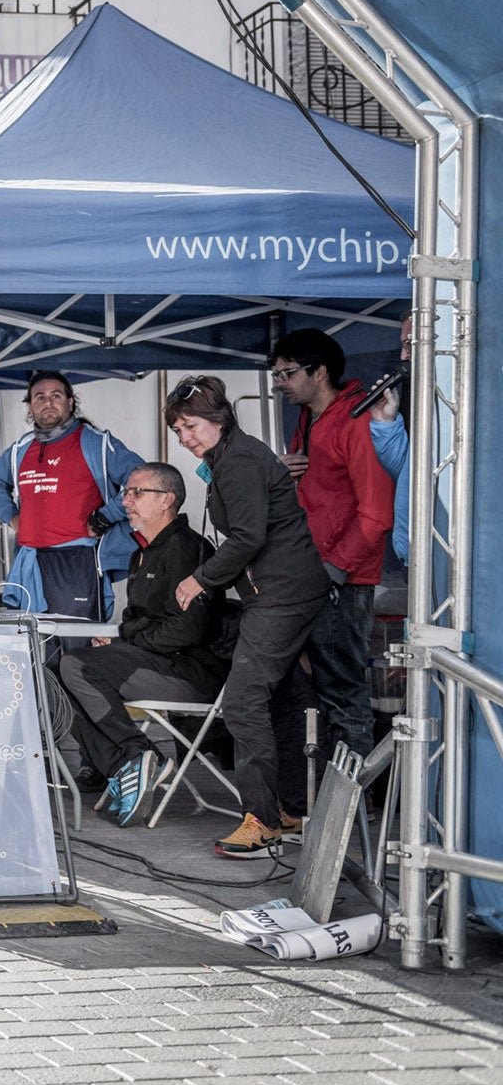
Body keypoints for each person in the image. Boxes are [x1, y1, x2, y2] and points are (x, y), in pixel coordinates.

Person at [165, 376, 331, 858]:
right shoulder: (232, 455)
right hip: (284, 591)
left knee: (242, 703)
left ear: (219, 419)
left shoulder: (237, 460)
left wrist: (200, 579)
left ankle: (261, 821)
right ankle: (286, 810)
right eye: (177, 430)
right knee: (283, 699)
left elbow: (246, 539)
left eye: (191, 426)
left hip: (281, 594)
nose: (185, 437)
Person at [54, 462, 225, 827]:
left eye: (136, 493)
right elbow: (133, 619)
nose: (126, 501)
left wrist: (130, 639)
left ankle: (137, 755)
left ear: (167, 500)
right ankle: (128, 765)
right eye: (125, 493)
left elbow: (188, 630)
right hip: (152, 662)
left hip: (189, 674)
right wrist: (119, 640)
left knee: (76, 666)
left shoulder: (189, 550)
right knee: (55, 674)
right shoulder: (142, 553)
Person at [270, 329, 396, 759]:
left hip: (341, 579)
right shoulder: (307, 420)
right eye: (276, 374)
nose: (279, 382)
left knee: (343, 693)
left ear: (319, 372)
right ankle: (329, 799)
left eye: (287, 373)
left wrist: (334, 570)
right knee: (320, 692)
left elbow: (377, 513)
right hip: (314, 574)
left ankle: (354, 807)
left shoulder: (356, 420)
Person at [0, 370, 144, 628]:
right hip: (29, 565)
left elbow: (143, 481)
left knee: (75, 648)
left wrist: (105, 517)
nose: (48, 402)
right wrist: (12, 518)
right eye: (40, 397)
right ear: (30, 407)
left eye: (56, 395)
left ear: (70, 402)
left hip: (77, 563)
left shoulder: (97, 443)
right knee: (29, 650)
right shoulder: (19, 449)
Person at [368, 314, 415, 568]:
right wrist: (385, 424)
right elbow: (408, 475)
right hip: (418, 551)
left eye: (410, 345)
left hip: (455, 548)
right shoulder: (421, 399)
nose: (403, 357)